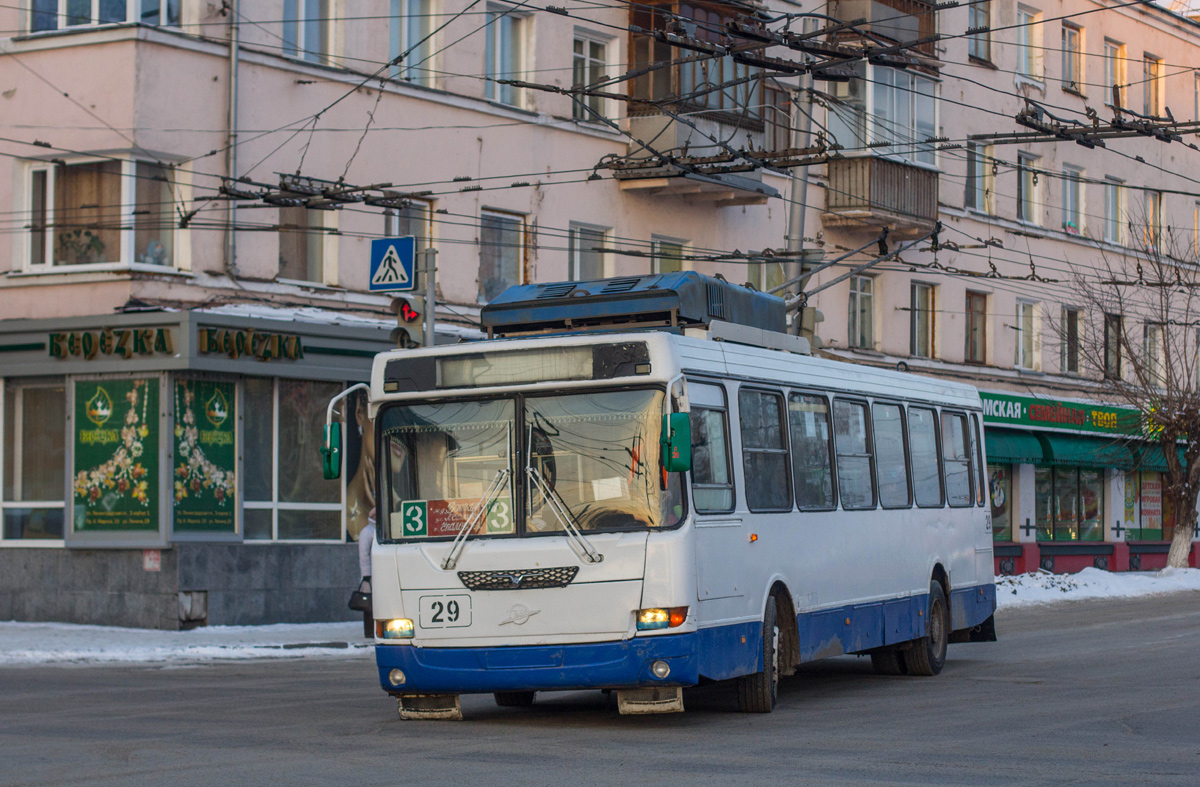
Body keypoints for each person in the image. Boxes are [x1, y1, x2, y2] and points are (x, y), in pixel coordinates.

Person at [356, 509, 376, 638]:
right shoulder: (367, 532)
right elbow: (363, 556)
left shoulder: (375, 531)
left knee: (375, 604)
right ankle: (369, 632)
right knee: (368, 605)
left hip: (376, 575)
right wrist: (366, 575)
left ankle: (373, 630)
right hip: (370, 577)